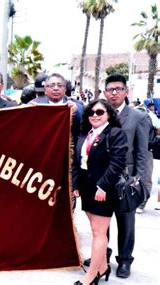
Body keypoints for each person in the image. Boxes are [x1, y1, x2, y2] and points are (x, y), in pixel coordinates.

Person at [83, 73, 150, 279]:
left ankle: (124, 260)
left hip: (126, 179)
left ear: (126, 91)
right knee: (102, 222)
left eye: (118, 89)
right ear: (105, 92)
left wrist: (141, 183)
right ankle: (102, 256)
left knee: (125, 222)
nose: (114, 93)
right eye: (110, 89)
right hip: (102, 178)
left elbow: (143, 153)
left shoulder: (139, 117)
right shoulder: (97, 113)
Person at [72, 99, 128, 285]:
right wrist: (76, 185)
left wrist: (103, 186)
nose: (95, 115)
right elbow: (78, 163)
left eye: (100, 112)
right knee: (96, 230)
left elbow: (117, 163)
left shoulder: (115, 133)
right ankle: (103, 267)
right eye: (91, 112)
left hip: (103, 189)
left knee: (98, 232)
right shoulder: (85, 134)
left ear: (109, 114)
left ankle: (92, 275)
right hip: (87, 189)